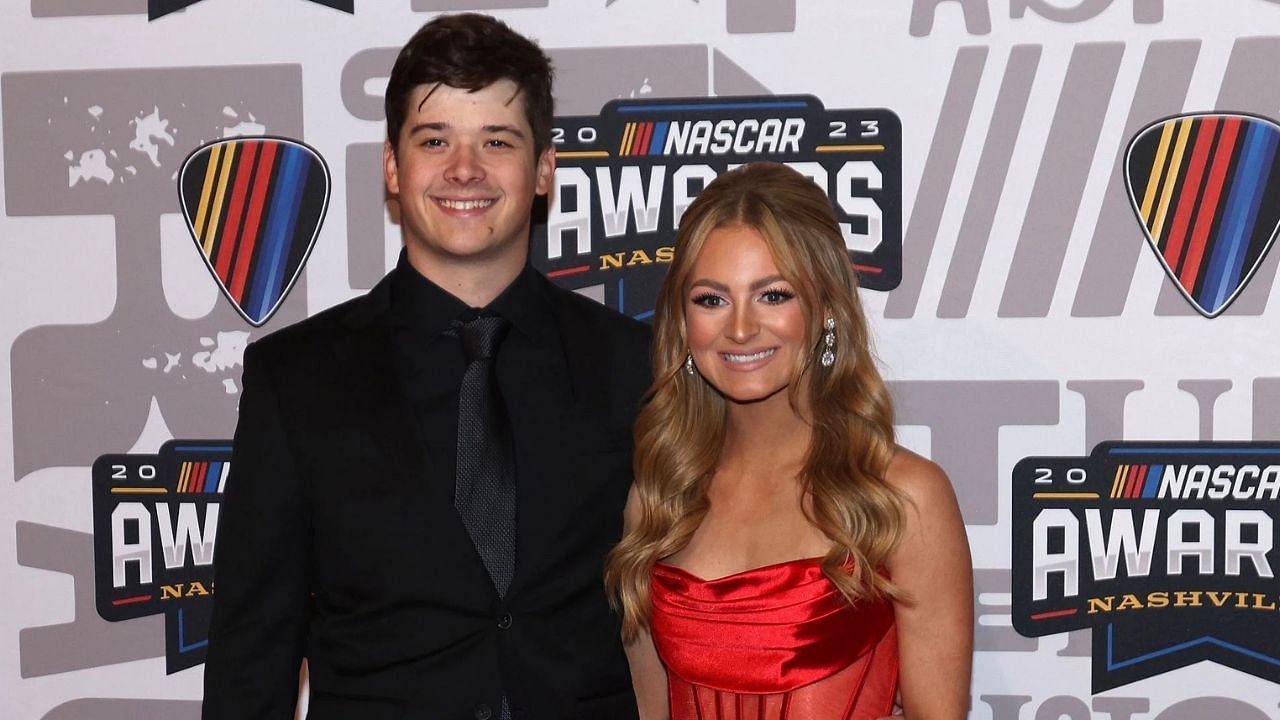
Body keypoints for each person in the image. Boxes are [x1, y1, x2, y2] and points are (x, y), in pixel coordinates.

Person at [202, 13, 649, 720]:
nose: (463, 168)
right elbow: (250, 655)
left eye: (496, 142)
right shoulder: (295, 378)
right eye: (434, 139)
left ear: (543, 170)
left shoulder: (634, 363)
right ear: (392, 167)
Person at [604, 162, 972, 720]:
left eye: (773, 295)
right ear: (682, 322)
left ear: (825, 309)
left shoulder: (904, 496)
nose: (742, 329)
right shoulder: (658, 501)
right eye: (711, 299)